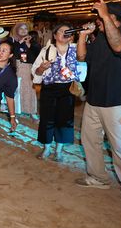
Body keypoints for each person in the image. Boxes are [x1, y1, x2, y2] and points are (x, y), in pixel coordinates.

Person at [75, 0, 121, 212]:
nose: (97, 20)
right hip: (94, 99)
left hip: (118, 101)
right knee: (90, 141)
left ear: (112, 17)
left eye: (100, 16)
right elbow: (81, 57)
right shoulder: (100, 39)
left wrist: (104, 16)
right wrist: (82, 36)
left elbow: (119, 47)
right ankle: (98, 177)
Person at [32, 23, 83, 161]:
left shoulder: (76, 49)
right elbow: (36, 72)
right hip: (49, 88)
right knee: (47, 119)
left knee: (64, 120)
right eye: (61, 31)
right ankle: (47, 148)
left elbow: (83, 62)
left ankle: (59, 150)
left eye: (68, 31)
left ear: (71, 36)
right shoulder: (46, 50)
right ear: (55, 35)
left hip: (68, 89)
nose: (65, 33)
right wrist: (42, 68)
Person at [9, 22, 38, 117]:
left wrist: (29, 46)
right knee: (18, 89)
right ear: (16, 30)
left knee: (30, 89)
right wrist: (20, 42)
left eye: (25, 28)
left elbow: (35, 57)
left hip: (29, 69)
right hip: (18, 68)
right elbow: (12, 52)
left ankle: (31, 110)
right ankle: (17, 110)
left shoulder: (31, 42)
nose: (23, 30)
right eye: (21, 28)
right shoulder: (13, 41)